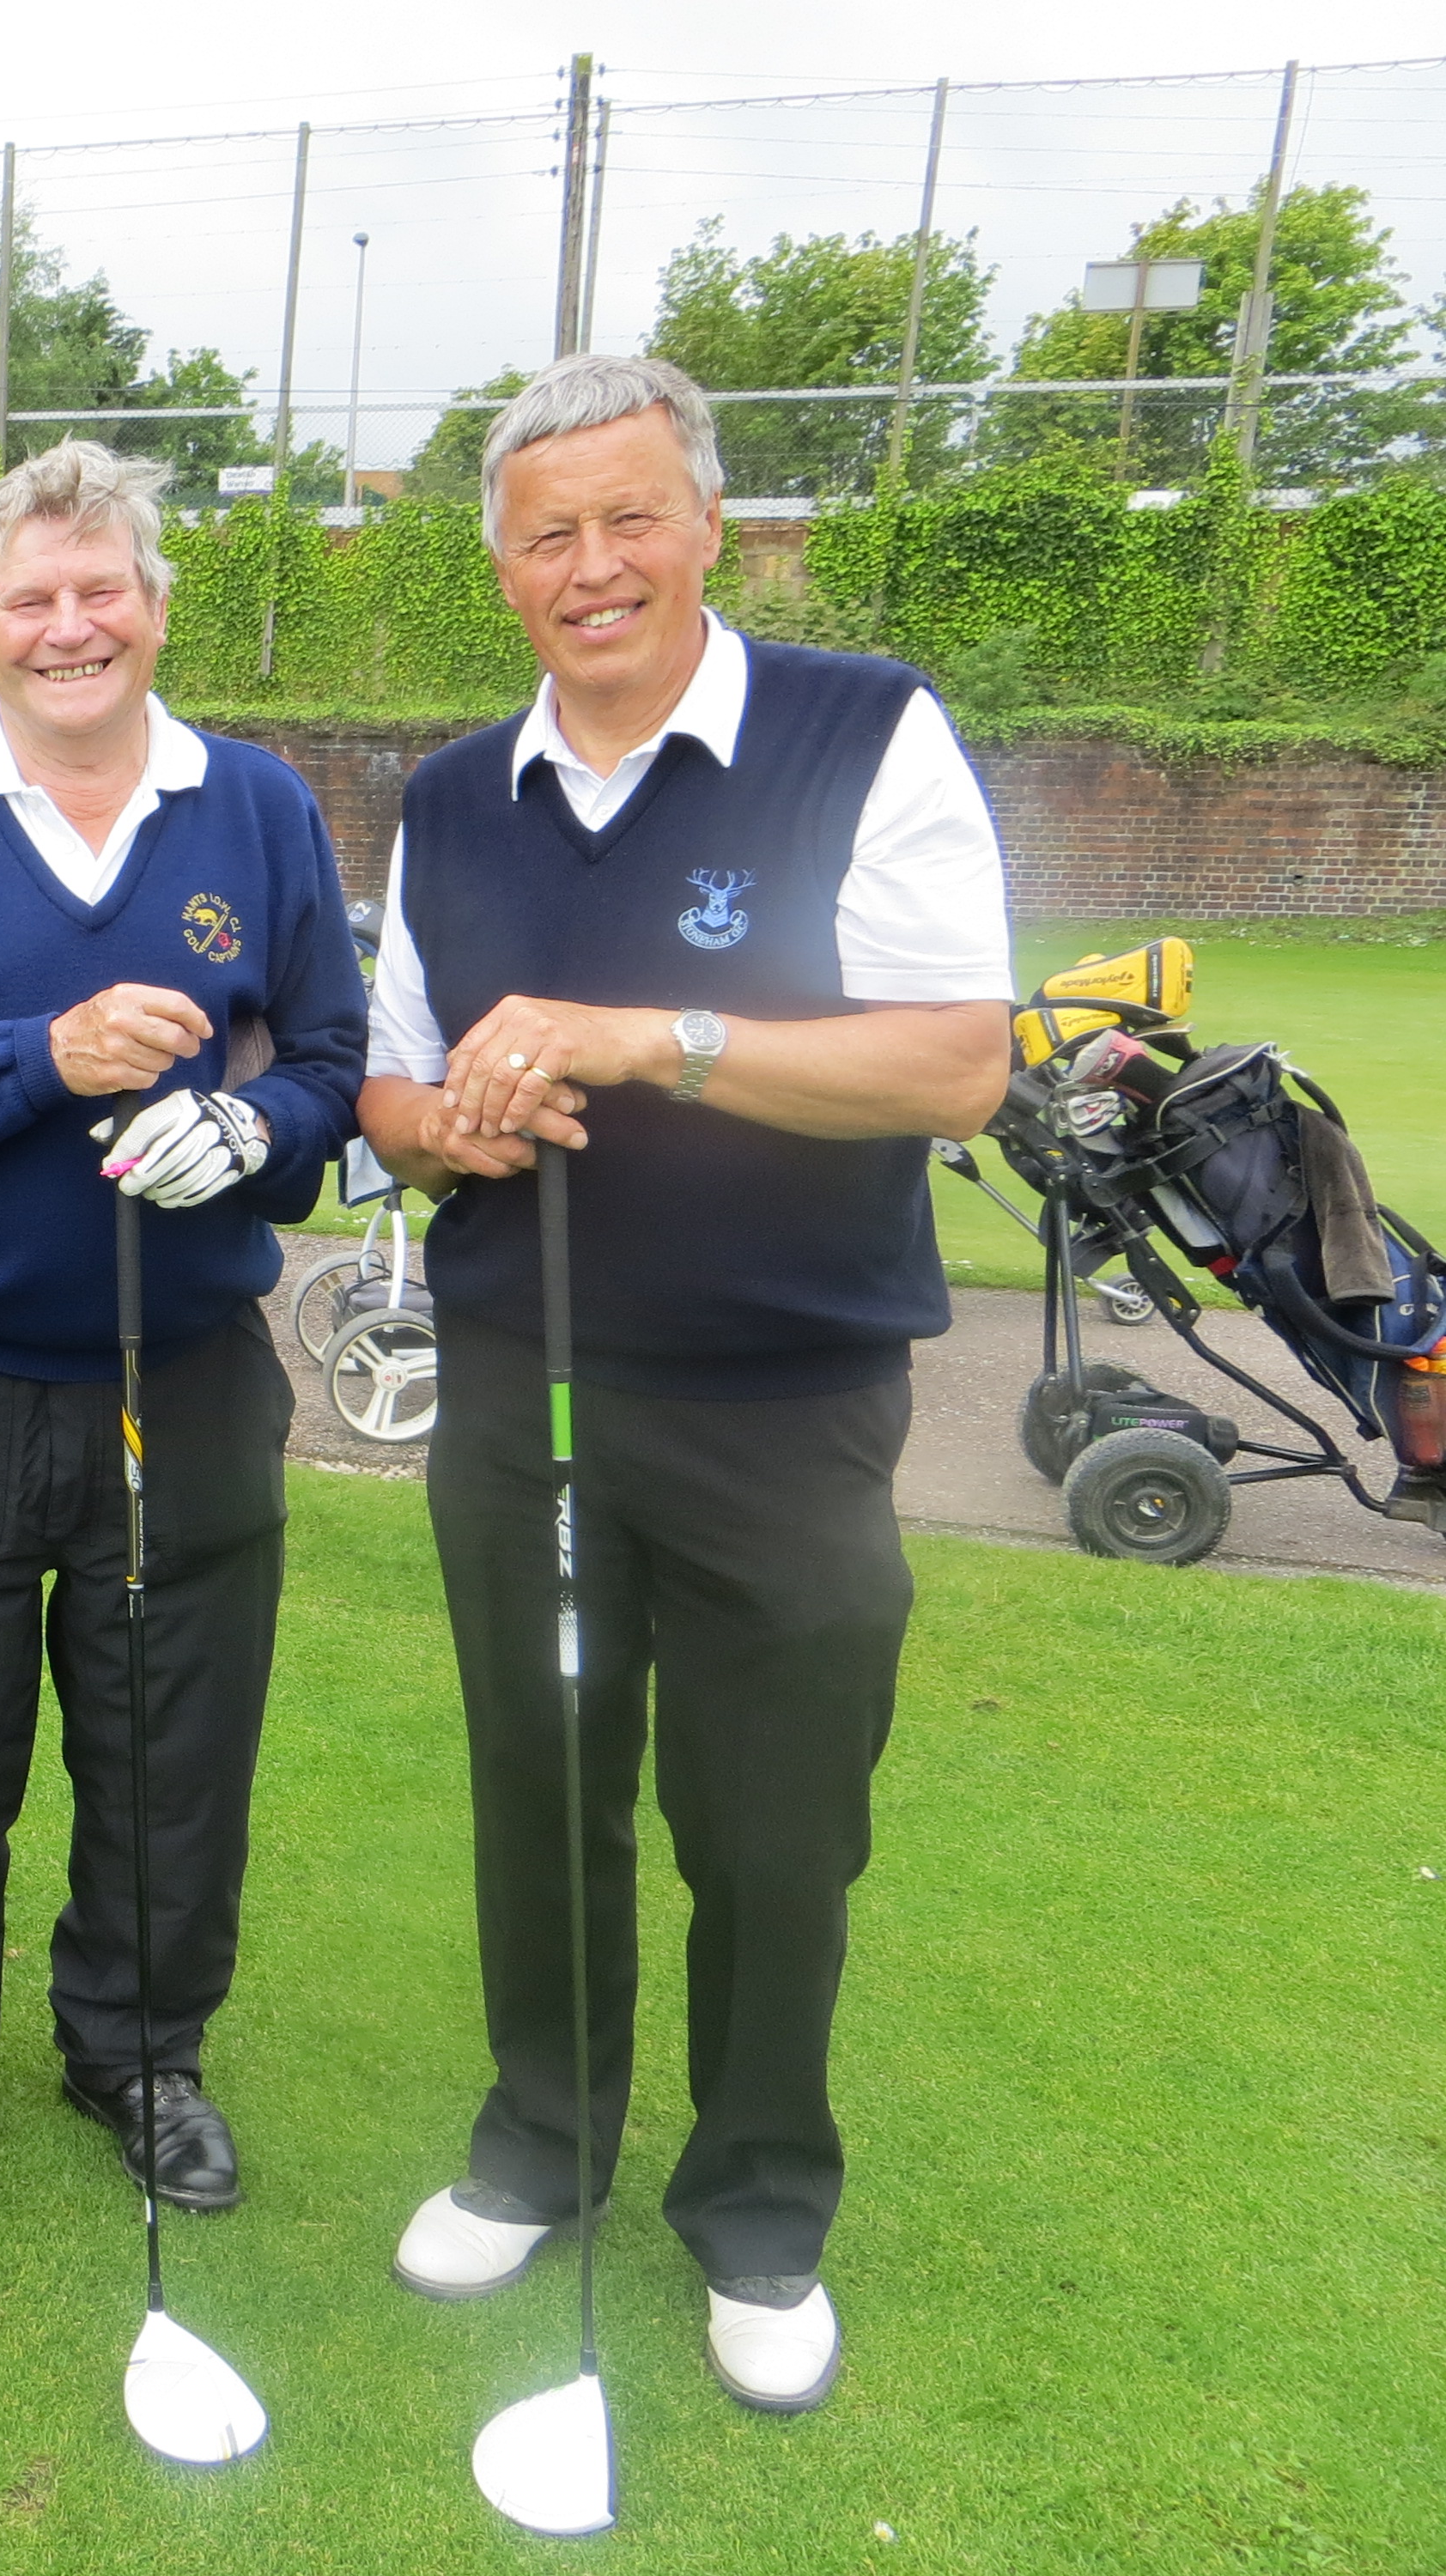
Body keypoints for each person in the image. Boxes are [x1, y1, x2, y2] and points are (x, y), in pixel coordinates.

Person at [356, 354, 1011, 2412]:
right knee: (539, 1792)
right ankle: (540, 2142)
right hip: (519, 1388)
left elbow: (948, 1060)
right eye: (545, 533)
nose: (591, 565)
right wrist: (439, 1129)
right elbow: (386, 1083)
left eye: (630, 517)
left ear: (709, 522)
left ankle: (751, 2207)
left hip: (781, 1406)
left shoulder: (861, 727)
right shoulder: (456, 795)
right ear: (497, 566)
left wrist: (653, 1040)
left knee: (771, 1824)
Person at [0, 440, 367, 2222]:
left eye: (98, 588)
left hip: (178, 1375)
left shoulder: (251, 806)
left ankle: (135, 2051)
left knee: (168, 1748)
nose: (66, 626)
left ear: (155, 605)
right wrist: (40, 1057)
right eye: (28, 597)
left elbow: (330, 1063)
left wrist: (250, 1135)